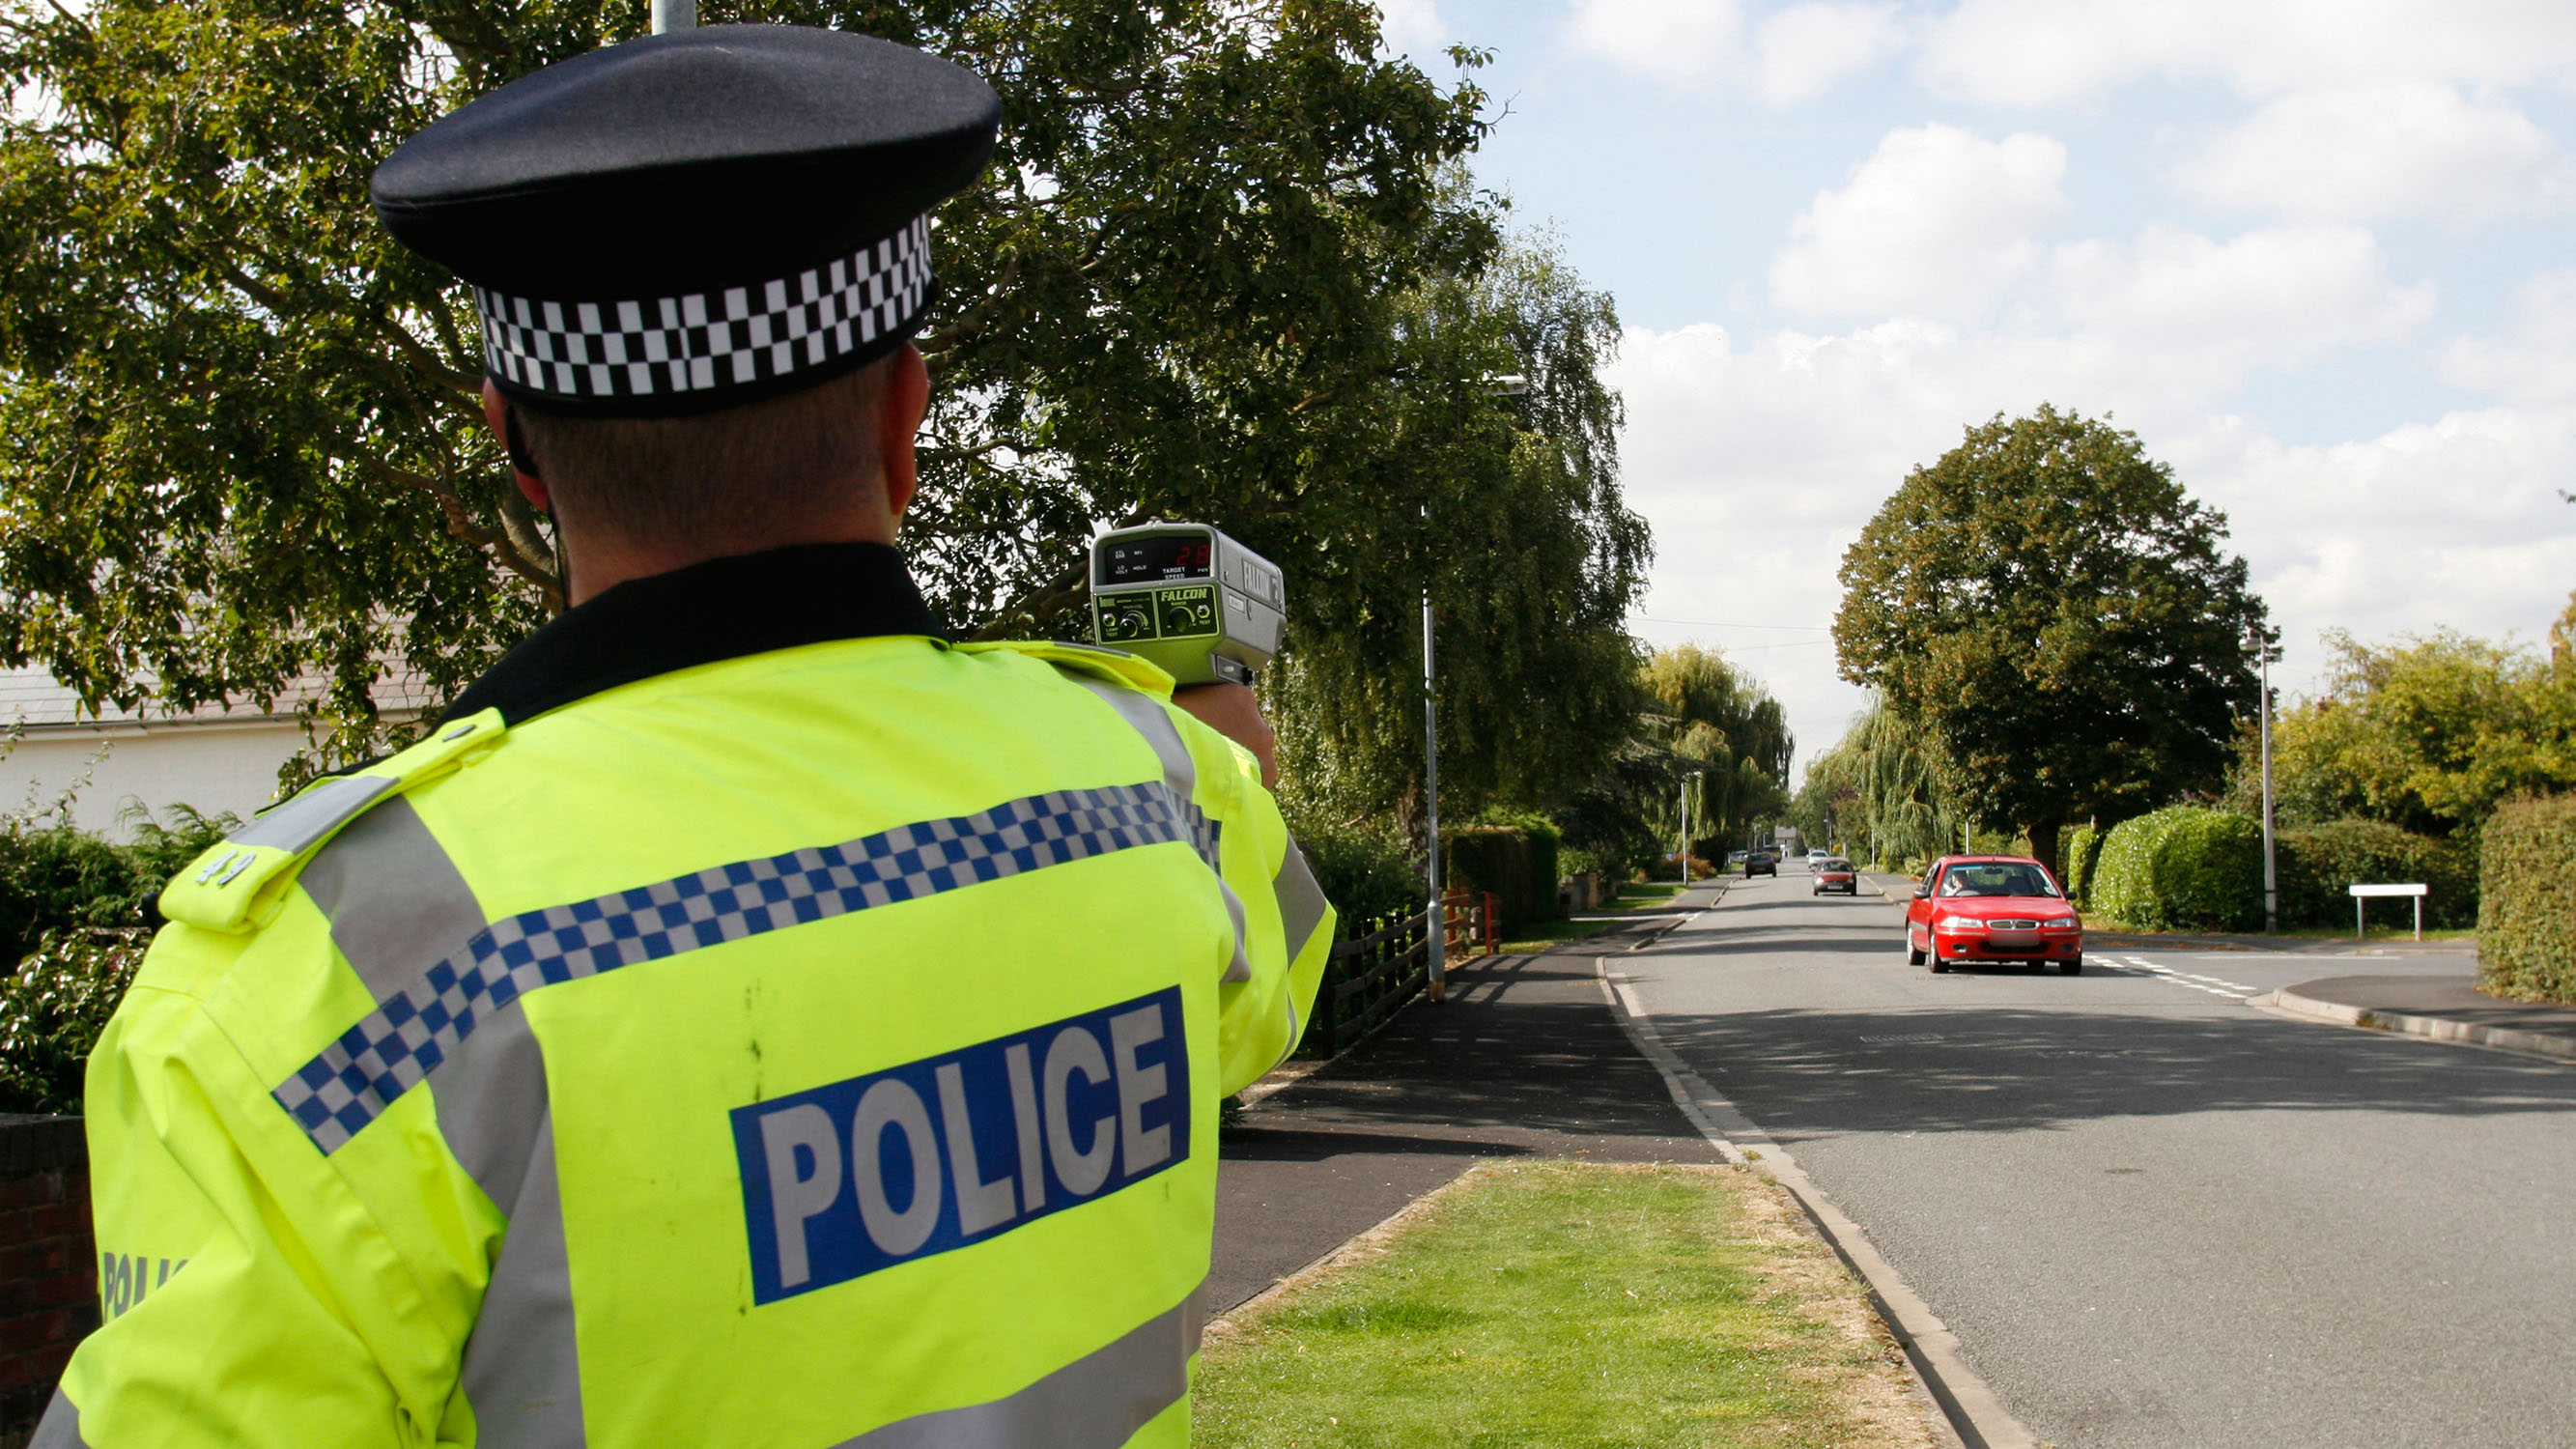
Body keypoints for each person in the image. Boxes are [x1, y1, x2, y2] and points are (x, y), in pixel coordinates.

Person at [34, 25, 1331, 1449]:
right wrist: (1217, 721)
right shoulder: (1152, 787)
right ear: (906, 416)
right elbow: (1260, 989)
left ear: (512, 444)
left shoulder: (306, 1001)